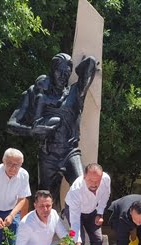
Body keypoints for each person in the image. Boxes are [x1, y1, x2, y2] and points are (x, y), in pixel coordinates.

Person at [7, 53, 97, 208]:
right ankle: (48, 230)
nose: (63, 76)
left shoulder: (76, 92)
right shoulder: (35, 92)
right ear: (51, 71)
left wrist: (77, 66)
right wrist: (32, 131)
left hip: (70, 152)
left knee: (83, 189)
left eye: (66, 73)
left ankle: (76, 226)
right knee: (45, 201)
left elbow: (91, 63)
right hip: (47, 155)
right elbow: (11, 124)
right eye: (59, 71)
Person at [64, 163, 111, 245]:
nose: (94, 184)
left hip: (92, 211)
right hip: (75, 211)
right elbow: (74, 221)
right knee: (80, 242)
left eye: (97, 181)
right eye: (91, 180)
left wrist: (100, 213)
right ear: (84, 176)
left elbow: (105, 196)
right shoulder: (76, 190)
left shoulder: (106, 179)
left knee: (98, 240)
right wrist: (78, 243)